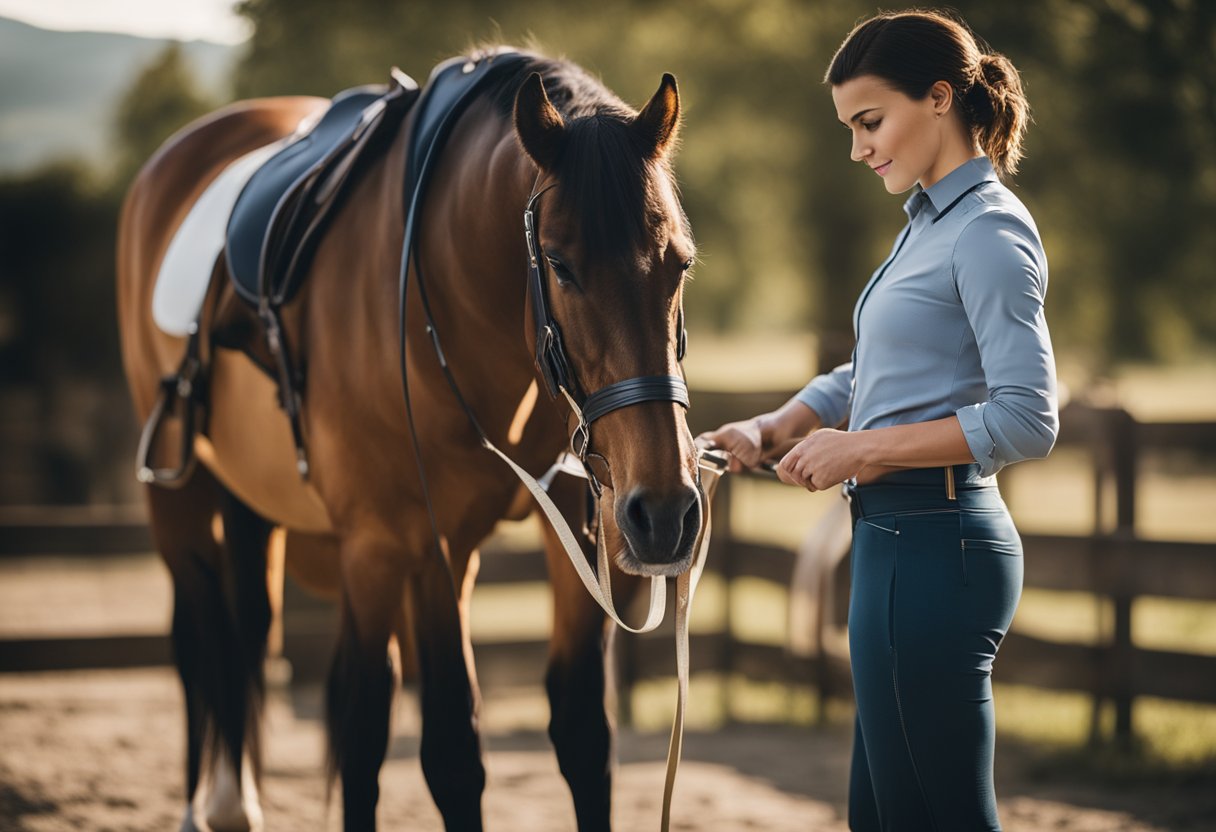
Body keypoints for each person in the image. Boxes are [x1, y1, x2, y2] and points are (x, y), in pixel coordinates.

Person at [697, 9, 1058, 831]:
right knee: (884, 815)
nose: (858, 147)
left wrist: (860, 449)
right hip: (898, 550)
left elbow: (1028, 417)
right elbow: (876, 372)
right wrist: (775, 425)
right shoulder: (928, 223)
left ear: (939, 98)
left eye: (870, 121)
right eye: (850, 127)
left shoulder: (989, 232)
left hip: (939, 547)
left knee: (938, 817)